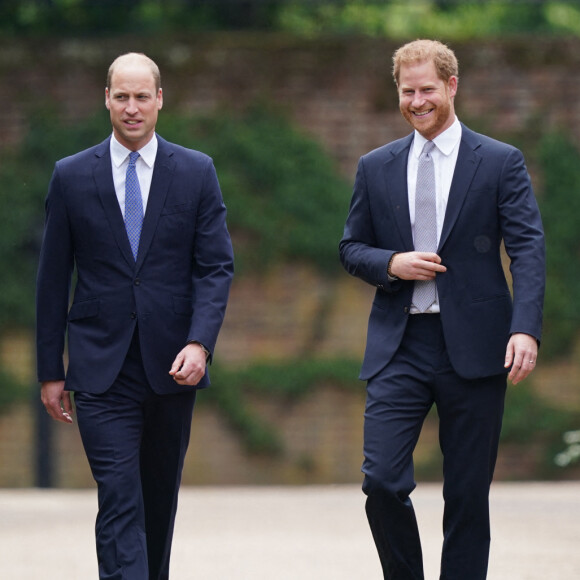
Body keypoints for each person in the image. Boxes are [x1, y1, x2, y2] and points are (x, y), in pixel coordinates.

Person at [339, 39, 545, 579]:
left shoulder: (500, 161)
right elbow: (350, 248)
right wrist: (392, 263)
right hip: (399, 345)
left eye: (427, 88)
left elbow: (527, 248)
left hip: (476, 347)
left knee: (467, 496)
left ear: (451, 86)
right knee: (381, 482)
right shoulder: (375, 165)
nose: (417, 100)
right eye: (407, 91)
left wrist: (525, 329)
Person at [36, 52, 234, 579]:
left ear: (159, 100)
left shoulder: (195, 172)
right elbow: (52, 279)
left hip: (172, 364)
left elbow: (215, 268)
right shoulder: (72, 176)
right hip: (101, 369)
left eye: (141, 96)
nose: (131, 107)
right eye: (120, 96)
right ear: (106, 99)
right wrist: (50, 370)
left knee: (157, 503)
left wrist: (201, 342)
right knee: (119, 497)